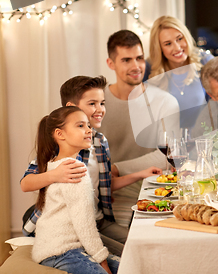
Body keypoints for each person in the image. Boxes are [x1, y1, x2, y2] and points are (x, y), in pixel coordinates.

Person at [21, 75, 162, 256]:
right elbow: (26, 183)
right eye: (92, 104)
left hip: (98, 220)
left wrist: (141, 174)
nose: (100, 109)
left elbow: (106, 184)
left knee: (144, 244)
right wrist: (55, 174)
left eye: (102, 103)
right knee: (131, 255)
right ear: (71, 107)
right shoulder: (60, 143)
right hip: (71, 226)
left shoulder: (100, 141)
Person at [99, 30, 180, 227]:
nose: (136, 66)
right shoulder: (96, 102)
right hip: (105, 195)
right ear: (111, 64)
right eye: (126, 60)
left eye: (139, 58)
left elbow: (167, 156)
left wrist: (118, 168)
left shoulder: (165, 102)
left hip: (151, 194)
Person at [31, 106, 120, 274]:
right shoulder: (73, 170)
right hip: (60, 251)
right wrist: (103, 261)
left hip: (70, 247)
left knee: (130, 267)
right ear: (60, 134)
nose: (89, 130)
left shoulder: (57, 165)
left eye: (88, 125)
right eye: (80, 126)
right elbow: (84, 224)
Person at [146, 15, 214, 130]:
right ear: (159, 48)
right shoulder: (149, 68)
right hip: (167, 143)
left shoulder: (205, 60)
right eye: (168, 44)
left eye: (179, 39)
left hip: (203, 141)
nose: (177, 48)